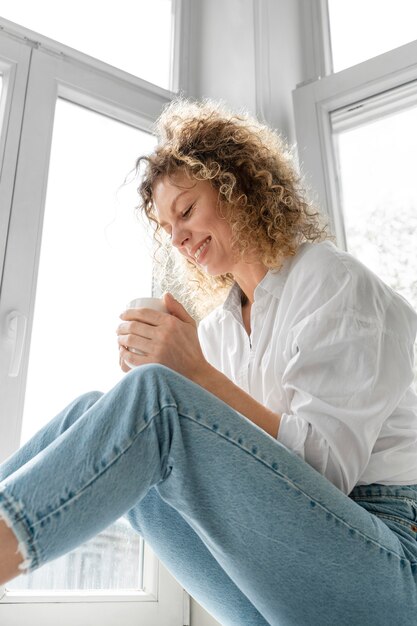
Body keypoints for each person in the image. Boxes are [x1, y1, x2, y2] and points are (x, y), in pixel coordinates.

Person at [1, 98, 417, 626]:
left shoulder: (331, 281)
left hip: (390, 559)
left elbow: (326, 473)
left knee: (156, 399)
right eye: (165, 227)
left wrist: (193, 376)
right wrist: (175, 382)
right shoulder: (220, 329)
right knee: (95, 410)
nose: (175, 237)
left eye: (186, 210)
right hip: (286, 578)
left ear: (237, 188)